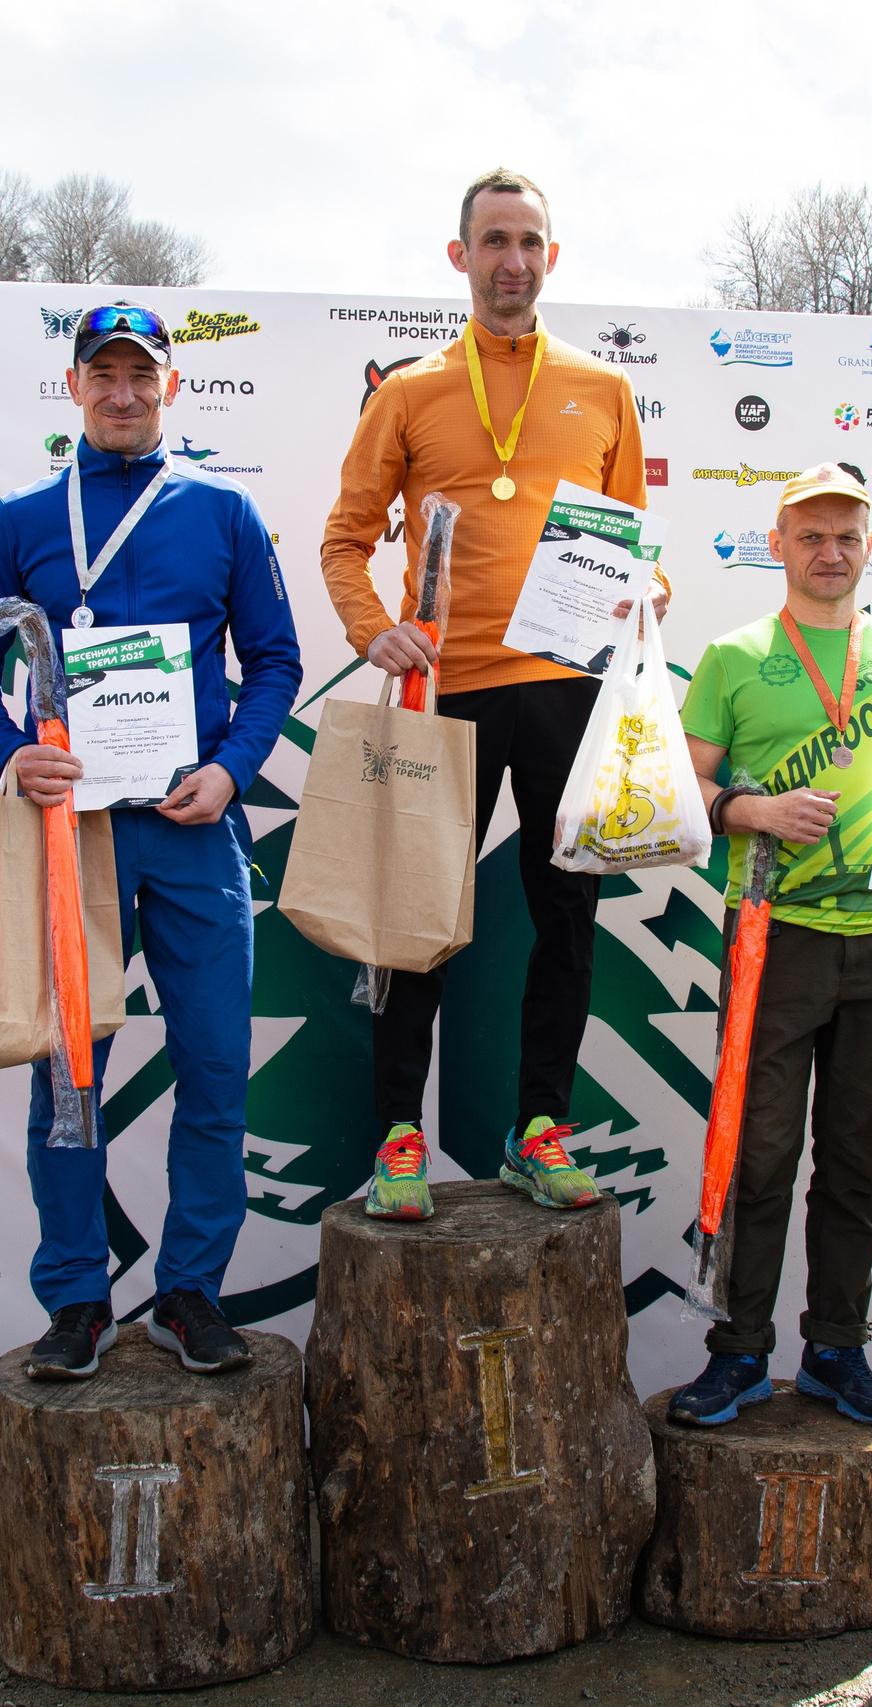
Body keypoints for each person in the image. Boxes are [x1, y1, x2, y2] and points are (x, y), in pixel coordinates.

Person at [0, 302, 300, 1382]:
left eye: (141, 373)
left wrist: (231, 768)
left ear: (170, 388)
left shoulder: (224, 513)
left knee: (216, 1071)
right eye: (103, 372)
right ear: (74, 386)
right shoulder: (19, 517)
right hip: (71, 838)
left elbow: (274, 661)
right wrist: (7, 754)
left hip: (190, 830)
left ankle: (190, 1292)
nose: (123, 391)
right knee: (67, 1075)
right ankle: (76, 1299)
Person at [319, 166, 669, 1220]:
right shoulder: (412, 390)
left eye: (528, 242)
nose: (510, 261)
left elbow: (639, 552)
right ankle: (397, 1139)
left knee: (565, 915)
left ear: (550, 257)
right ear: (459, 256)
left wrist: (644, 594)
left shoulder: (601, 390)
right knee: (416, 917)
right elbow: (344, 540)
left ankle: (539, 1128)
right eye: (492, 242)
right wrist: (369, 628)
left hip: (566, 693)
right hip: (446, 691)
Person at [670, 464, 872, 1429]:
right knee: (760, 1155)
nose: (830, 552)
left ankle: (837, 1350)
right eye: (811, 536)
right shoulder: (732, 654)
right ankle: (740, 1352)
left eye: (847, 536)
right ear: (779, 544)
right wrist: (755, 809)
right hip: (774, 932)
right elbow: (683, 791)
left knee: (855, 1158)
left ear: (869, 544)